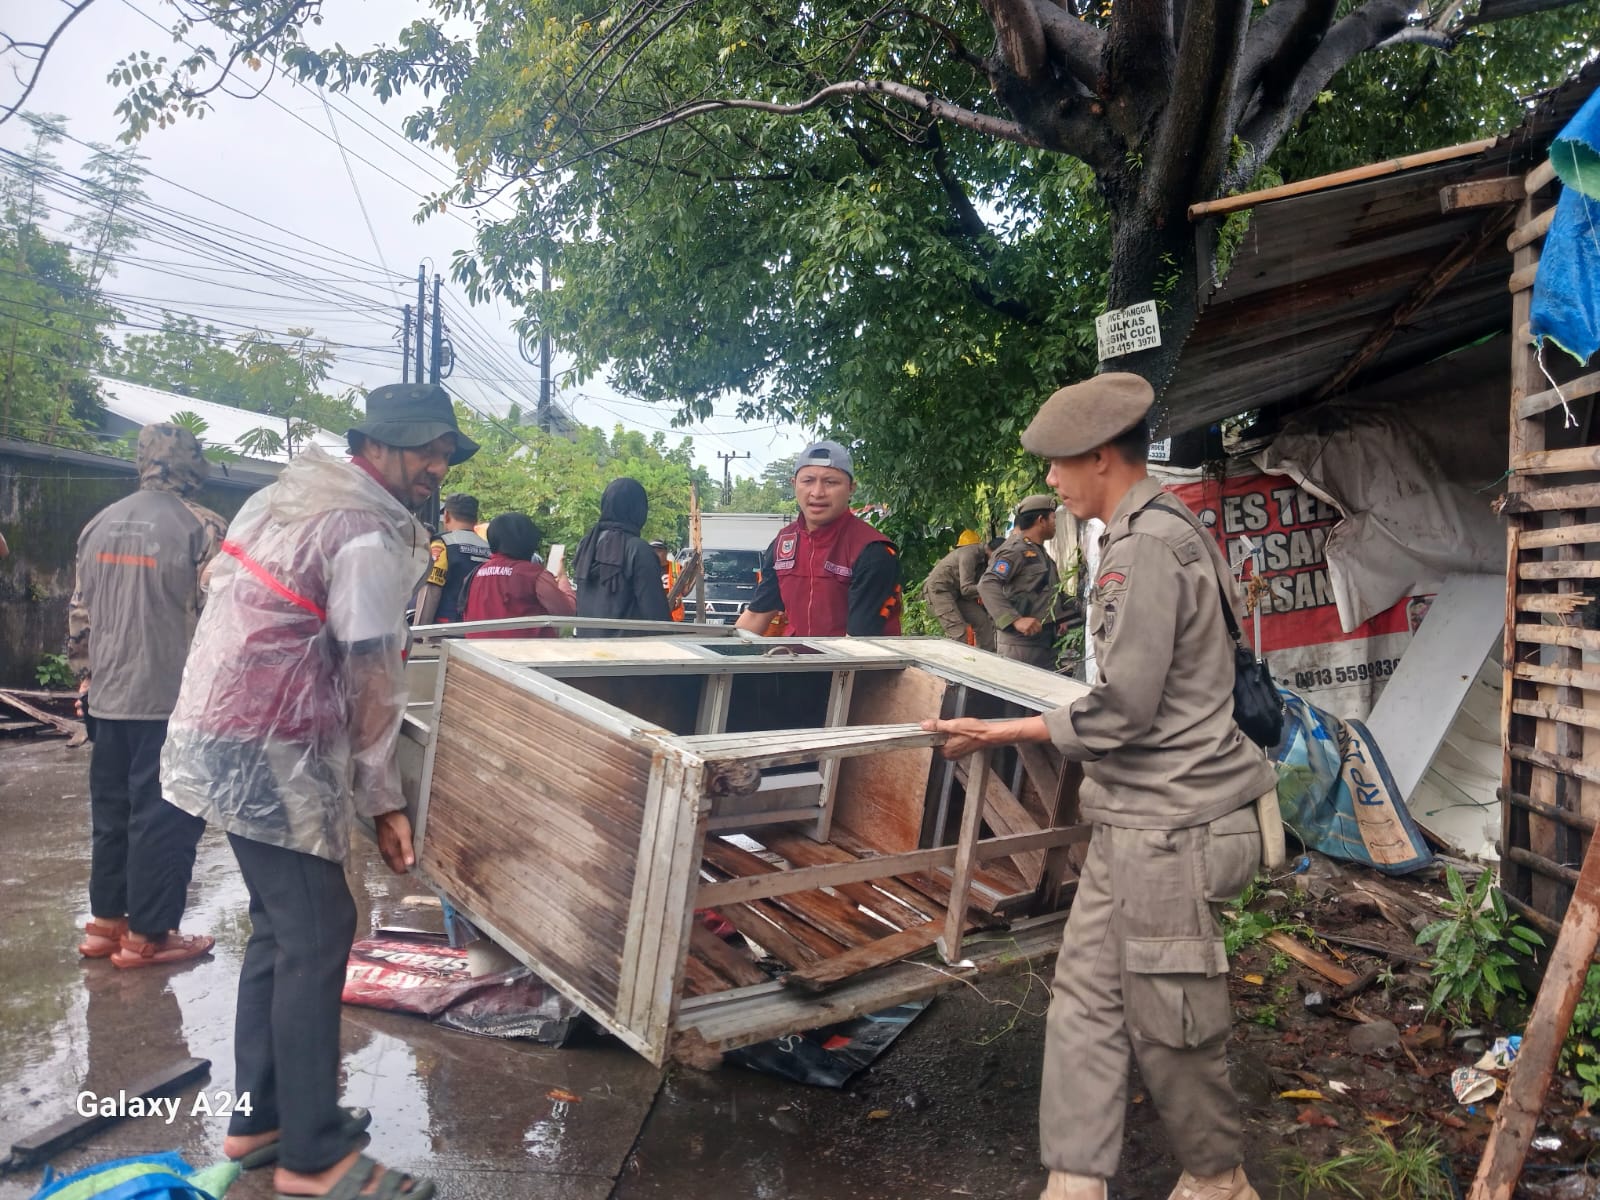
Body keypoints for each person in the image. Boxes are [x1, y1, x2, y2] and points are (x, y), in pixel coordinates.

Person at [922, 373, 1276, 1200]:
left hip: (1173, 824)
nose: (1050, 482)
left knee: (1172, 1018)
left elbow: (1123, 709)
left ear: (1101, 457)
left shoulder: (1146, 547)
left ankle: (1218, 1180)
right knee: (1083, 1000)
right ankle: (1075, 1180)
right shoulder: (1147, 532)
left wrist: (1001, 732)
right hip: (1131, 816)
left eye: (1058, 464)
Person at [161, 381, 476, 1200]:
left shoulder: (287, 500)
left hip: (223, 726)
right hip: (273, 738)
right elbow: (371, 673)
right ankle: (312, 1156)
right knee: (318, 928)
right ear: (374, 445)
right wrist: (383, 798)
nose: (437, 466)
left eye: (445, 453)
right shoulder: (362, 530)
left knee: (280, 925)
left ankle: (262, 1120)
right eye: (426, 449)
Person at [67, 423, 225, 968]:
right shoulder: (203, 527)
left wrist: (85, 679)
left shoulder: (98, 523)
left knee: (112, 813)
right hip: (172, 702)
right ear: (191, 465)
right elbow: (220, 618)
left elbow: (80, 611)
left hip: (107, 696)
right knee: (165, 817)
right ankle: (150, 936)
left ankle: (106, 925)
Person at [735, 440, 902, 638]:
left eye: (831, 482)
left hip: (857, 655)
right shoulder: (784, 542)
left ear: (851, 488)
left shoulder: (873, 551)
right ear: (794, 484)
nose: (817, 492)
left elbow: (858, 643)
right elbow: (756, 616)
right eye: (808, 481)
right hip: (797, 655)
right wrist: (721, 653)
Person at [980, 495, 1069, 670]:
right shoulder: (1015, 550)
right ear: (1041, 520)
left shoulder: (1038, 552)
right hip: (1020, 646)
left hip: (1044, 643)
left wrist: (1062, 614)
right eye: (1053, 518)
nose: (1055, 523)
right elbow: (987, 584)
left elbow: (1048, 591)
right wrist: (1015, 620)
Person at [573, 477, 671, 634]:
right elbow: (657, 616)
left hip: (587, 645)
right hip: (628, 647)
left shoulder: (586, 545)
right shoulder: (639, 550)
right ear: (639, 509)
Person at [463, 512, 576, 638]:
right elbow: (566, 611)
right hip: (525, 649)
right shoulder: (534, 575)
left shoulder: (474, 574)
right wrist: (562, 577)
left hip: (476, 648)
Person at [414, 492, 490, 624]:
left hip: (447, 626)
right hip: (478, 626)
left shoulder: (442, 544)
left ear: (447, 515)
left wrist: (420, 629)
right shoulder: (489, 548)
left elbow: (431, 591)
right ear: (475, 518)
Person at [921, 531, 998, 651]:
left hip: (958, 593)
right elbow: (967, 588)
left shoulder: (984, 560)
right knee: (959, 632)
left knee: (983, 621)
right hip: (940, 590)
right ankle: (958, 661)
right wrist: (990, 588)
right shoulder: (969, 554)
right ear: (993, 551)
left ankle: (987, 657)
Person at [652, 540, 686, 621]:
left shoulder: (677, 567)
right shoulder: (647, 568)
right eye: (653, 551)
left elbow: (685, 591)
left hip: (674, 617)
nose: (655, 554)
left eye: (659, 551)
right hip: (653, 616)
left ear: (666, 552)